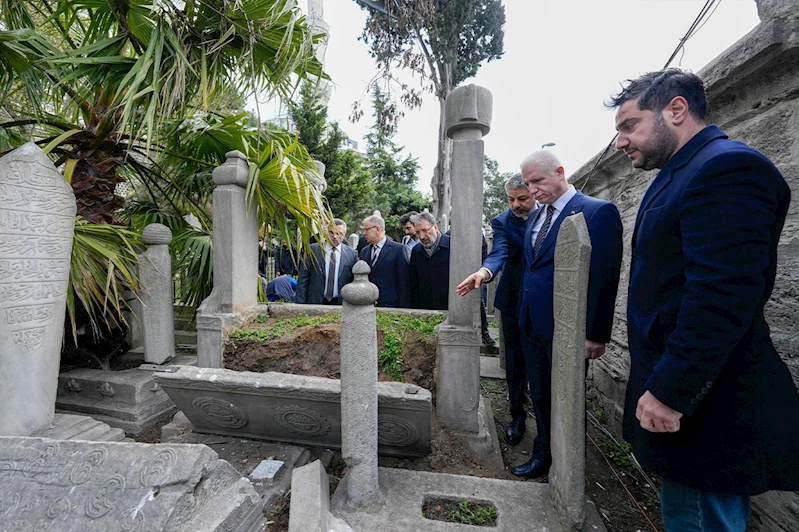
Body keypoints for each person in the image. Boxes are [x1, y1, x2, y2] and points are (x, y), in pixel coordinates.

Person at [608, 68, 799, 531]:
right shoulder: (685, 170)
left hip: (707, 409)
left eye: (629, 125)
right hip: (690, 401)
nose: (619, 143)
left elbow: (721, 297)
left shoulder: (726, 168)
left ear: (675, 109)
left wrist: (671, 392)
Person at [511, 150, 623, 480]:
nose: (532, 190)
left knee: (566, 398)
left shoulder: (596, 212)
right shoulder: (535, 216)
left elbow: (605, 275)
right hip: (531, 321)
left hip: (568, 326)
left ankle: (565, 463)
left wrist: (596, 333)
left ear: (560, 172)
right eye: (528, 183)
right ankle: (543, 453)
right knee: (541, 392)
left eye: (538, 181)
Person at [457, 173, 536, 445]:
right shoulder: (503, 221)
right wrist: (485, 271)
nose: (515, 205)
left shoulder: (552, 216)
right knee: (514, 363)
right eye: (511, 199)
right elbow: (499, 251)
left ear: (535, 193)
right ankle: (517, 415)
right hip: (513, 301)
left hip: (543, 302)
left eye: (522, 198)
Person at [296, 219, 358, 305]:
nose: (335, 236)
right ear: (326, 232)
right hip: (315, 301)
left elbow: (354, 281)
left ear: (344, 234)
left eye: (338, 233)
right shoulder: (313, 250)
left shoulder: (351, 254)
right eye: (331, 232)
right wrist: (300, 304)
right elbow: (303, 278)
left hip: (341, 303)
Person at [359, 214, 411, 308]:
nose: (364, 233)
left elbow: (404, 281)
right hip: (368, 305)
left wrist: (404, 308)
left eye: (367, 230)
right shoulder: (364, 251)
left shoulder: (398, 249)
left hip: (391, 305)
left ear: (377, 229)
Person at [409, 212, 450, 310]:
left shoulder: (452, 246)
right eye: (418, 232)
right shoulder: (416, 251)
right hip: (424, 310)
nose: (422, 237)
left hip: (450, 308)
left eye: (425, 230)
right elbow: (413, 283)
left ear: (435, 227)